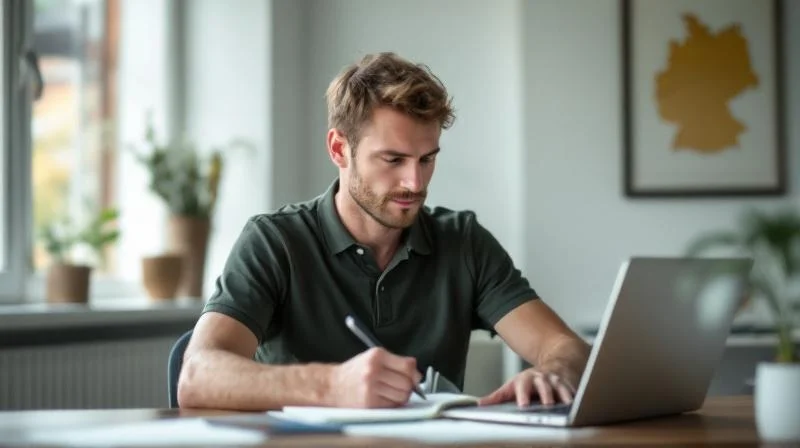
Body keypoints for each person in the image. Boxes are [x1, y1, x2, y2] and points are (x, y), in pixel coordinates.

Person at [178, 52, 591, 411]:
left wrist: (551, 373)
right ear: (340, 149)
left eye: (427, 159)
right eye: (393, 160)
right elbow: (197, 375)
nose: (415, 182)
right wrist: (332, 386)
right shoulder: (275, 242)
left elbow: (568, 349)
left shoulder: (462, 241)